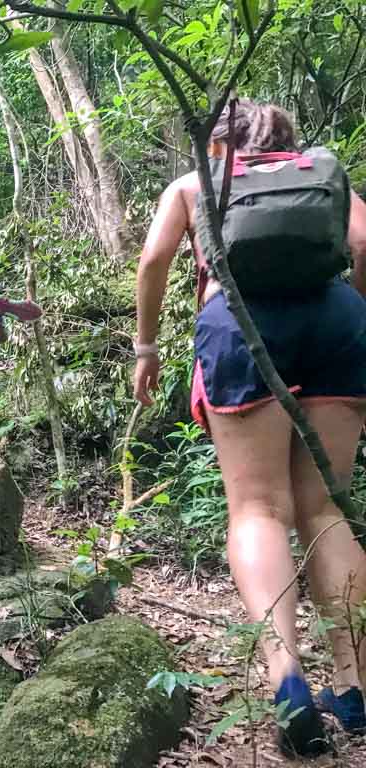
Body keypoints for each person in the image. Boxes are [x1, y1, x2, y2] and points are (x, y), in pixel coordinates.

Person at [134, 99, 366, 755]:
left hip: (239, 323)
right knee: (325, 510)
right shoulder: (323, 173)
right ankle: (354, 688)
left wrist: (146, 351)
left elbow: (154, 261)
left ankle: (287, 677)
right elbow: (364, 243)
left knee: (258, 508)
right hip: (337, 322)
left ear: (218, 144)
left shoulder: (197, 183)